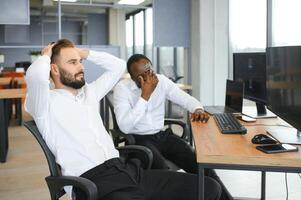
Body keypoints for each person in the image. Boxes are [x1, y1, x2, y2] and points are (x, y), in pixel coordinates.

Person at [25, 39, 221, 200]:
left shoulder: (89, 94)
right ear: (54, 69)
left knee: (209, 188)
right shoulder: (44, 103)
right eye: (72, 62)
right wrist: (45, 55)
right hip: (94, 182)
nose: (81, 67)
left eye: (80, 62)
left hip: (126, 169)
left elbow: (117, 66)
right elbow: (36, 77)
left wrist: (82, 53)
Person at [113, 54, 233, 200]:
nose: (149, 77)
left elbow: (185, 99)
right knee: (166, 175)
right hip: (138, 139)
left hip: (161, 135)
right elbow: (124, 126)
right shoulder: (122, 89)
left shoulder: (161, 81)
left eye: (150, 70)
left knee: (202, 167)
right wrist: (145, 96)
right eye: (142, 75)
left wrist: (198, 109)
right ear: (132, 78)